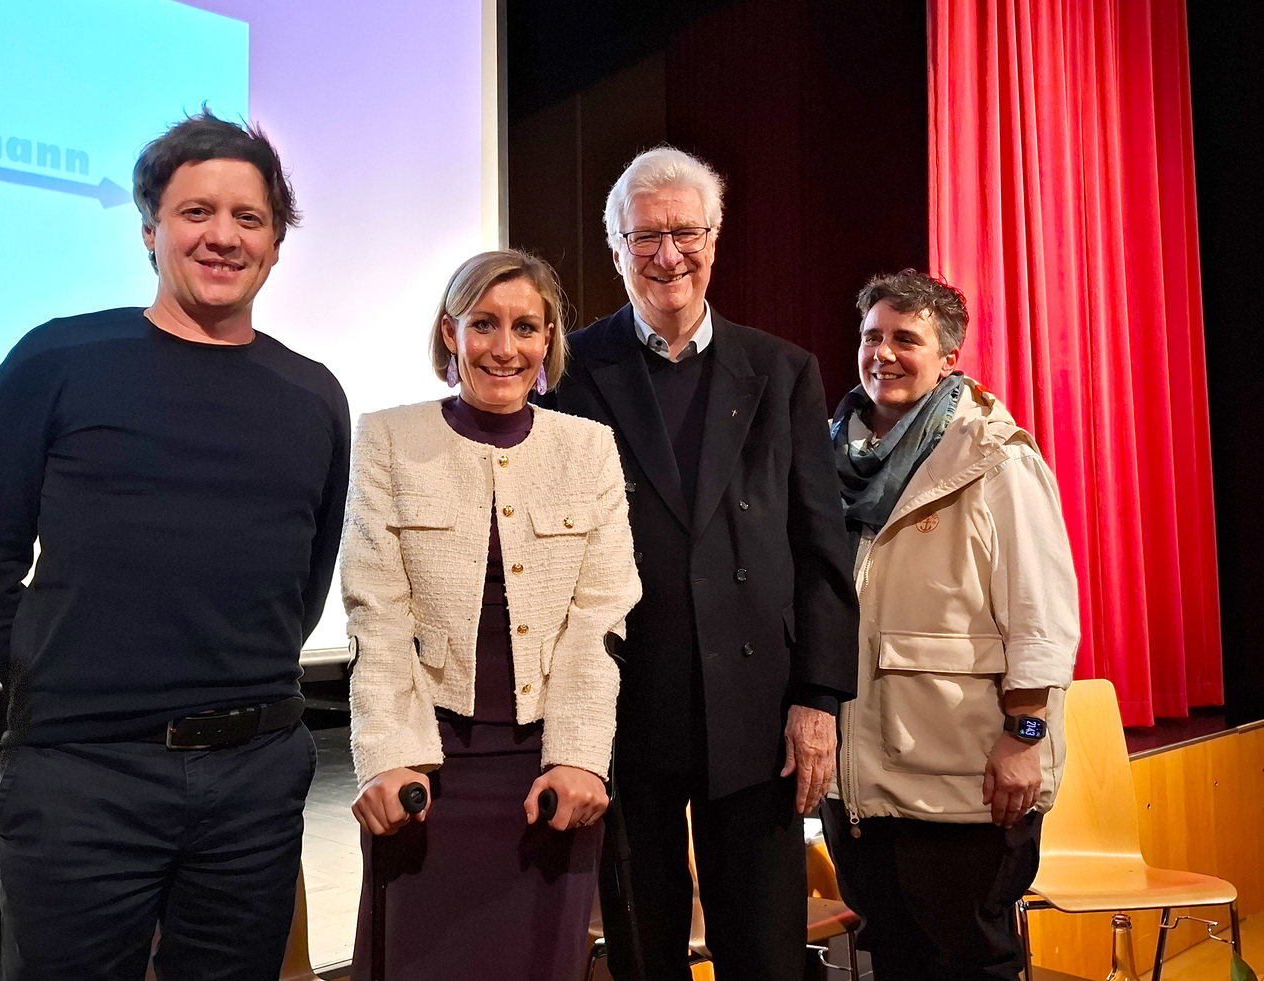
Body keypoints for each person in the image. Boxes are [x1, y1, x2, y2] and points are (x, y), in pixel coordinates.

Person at [0, 109, 350, 980]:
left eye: (249, 217)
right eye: (197, 211)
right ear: (150, 229)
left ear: (275, 244)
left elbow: (301, 588)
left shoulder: (313, 395)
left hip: (255, 781)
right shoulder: (58, 360)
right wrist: (68, 684)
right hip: (83, 778)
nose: (223, 236)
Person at [538, 146, 858, 980]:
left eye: (686, 233)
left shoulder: (782, 370)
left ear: (715, 239)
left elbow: (821, 548)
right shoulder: (570, 371)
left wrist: (818, 698)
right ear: (616, 247)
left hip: (757, 712)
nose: (668, 255)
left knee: (766, 952)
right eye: (646, 236)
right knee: (643, 954)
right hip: (624, 706)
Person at [342, 249, 642, 981]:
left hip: (547, 771)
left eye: (525, 327)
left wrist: (579, 757)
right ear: (451, 332)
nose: (504, 347)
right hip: (425, 768)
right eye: (483, 324)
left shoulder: (589, 448)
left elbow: (598, 619)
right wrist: (387, 756)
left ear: (548, 340)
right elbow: (376, 613)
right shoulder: (388, 438)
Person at [821, 270, 1080, 981]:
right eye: (872, 336)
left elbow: (1043, 611)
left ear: (948, 359)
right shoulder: (828, 451)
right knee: (894, 960)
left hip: (967, 778)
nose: (883, 353)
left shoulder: (996, 457)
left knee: (968, 961)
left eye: (906, 339)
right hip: (860, 780)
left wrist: (1025, 736)